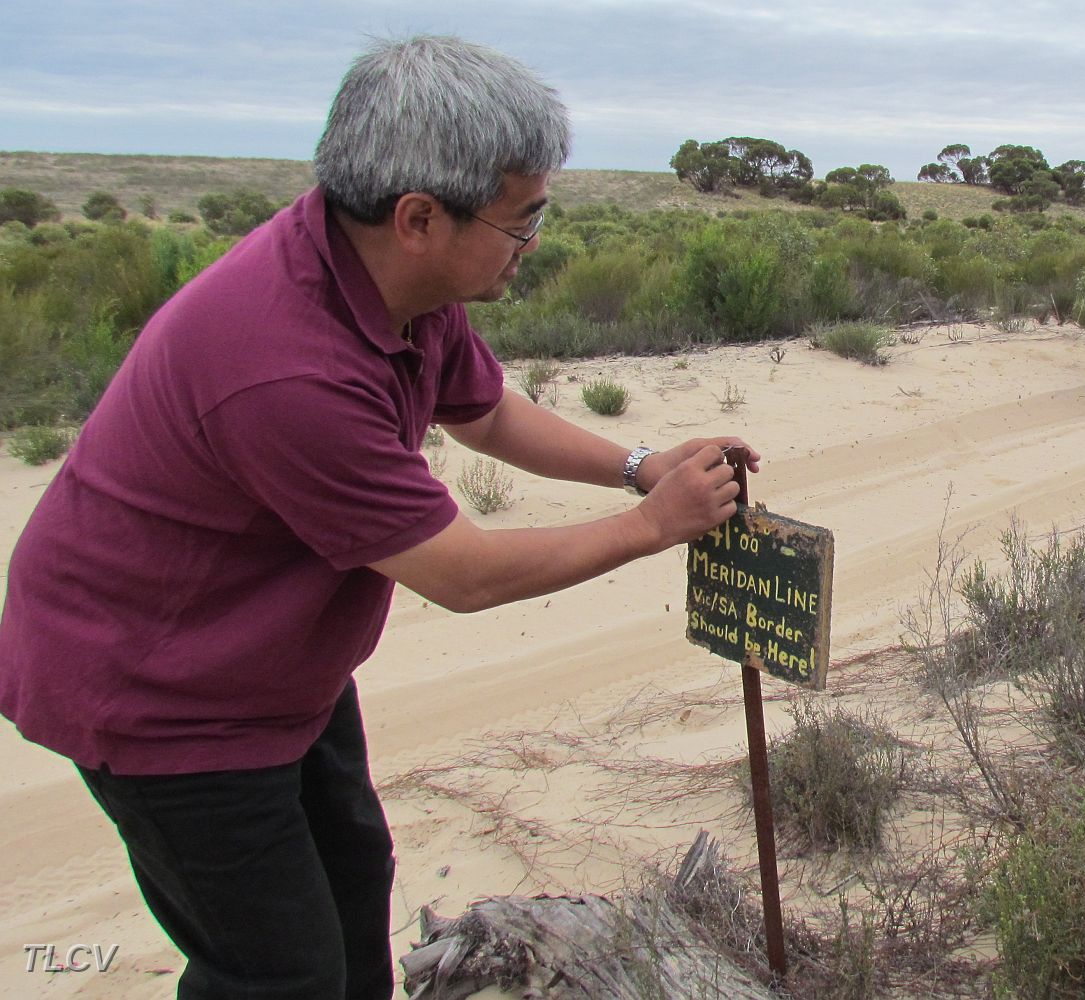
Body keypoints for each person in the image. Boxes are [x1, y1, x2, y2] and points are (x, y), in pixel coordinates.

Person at [0, 35, 756, 1000]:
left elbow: (483, 412)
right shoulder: (285, 366)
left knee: (355, 895)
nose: (532, 245)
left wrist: (639, 467)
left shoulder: (396, 279)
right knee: (275, 973)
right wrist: (656, 526)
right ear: (418, 217)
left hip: (273, 671)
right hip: (158, 691)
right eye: (522, 222)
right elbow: (464, 574)